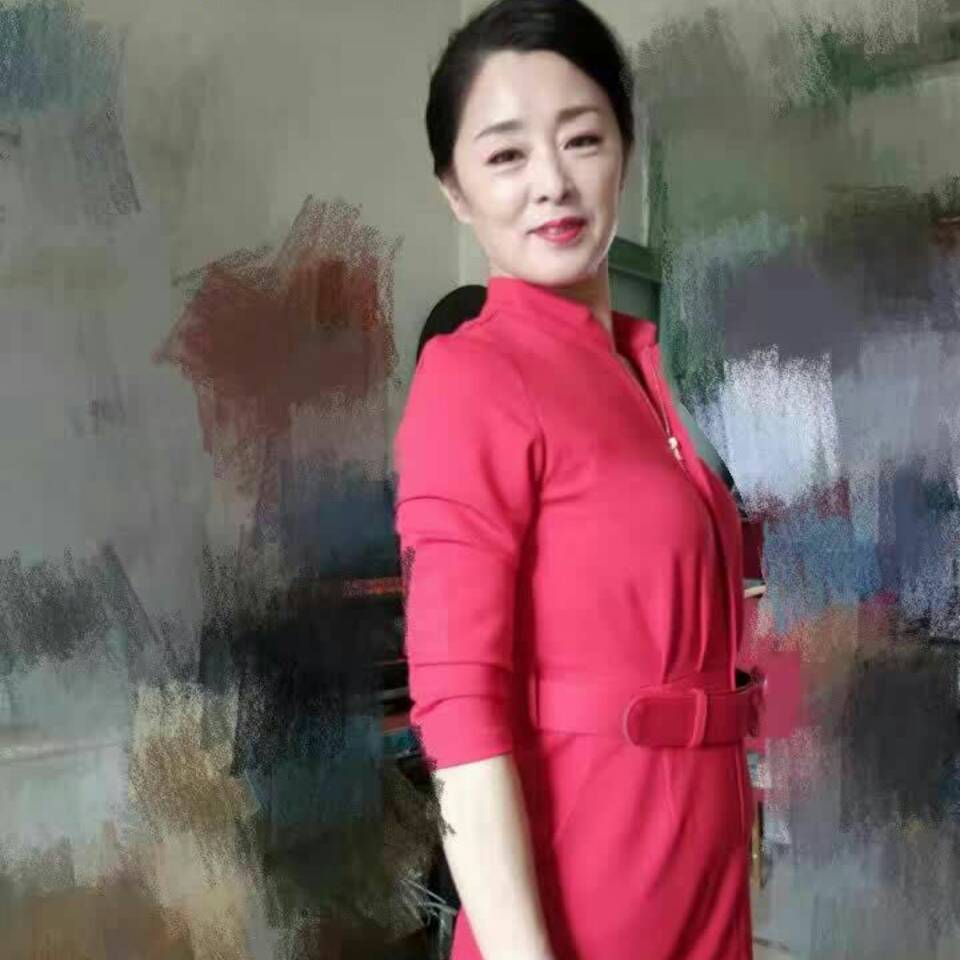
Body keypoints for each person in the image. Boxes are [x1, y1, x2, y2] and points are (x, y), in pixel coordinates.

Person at [392, 1, 764, 957]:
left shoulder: (644, 370)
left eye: (582, 138)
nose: (552, 182)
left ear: (623, 153)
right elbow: (459, 715)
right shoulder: (474, 376)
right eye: (506, 155)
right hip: (586, 888)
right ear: (455, 191)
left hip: (707, 877)